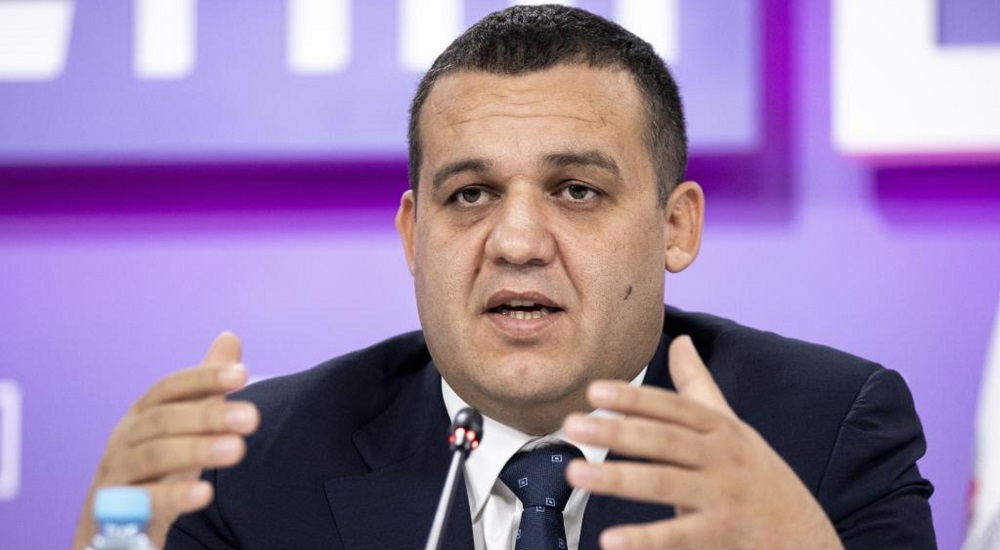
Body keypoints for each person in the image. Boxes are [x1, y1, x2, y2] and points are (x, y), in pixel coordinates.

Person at [73, 5, 935, 550]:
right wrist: (107, 539)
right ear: (414, 235)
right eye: (471, 194)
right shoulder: (252, 462)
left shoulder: (822, 432)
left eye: (577, 191)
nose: (517, 242)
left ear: (676, 227)